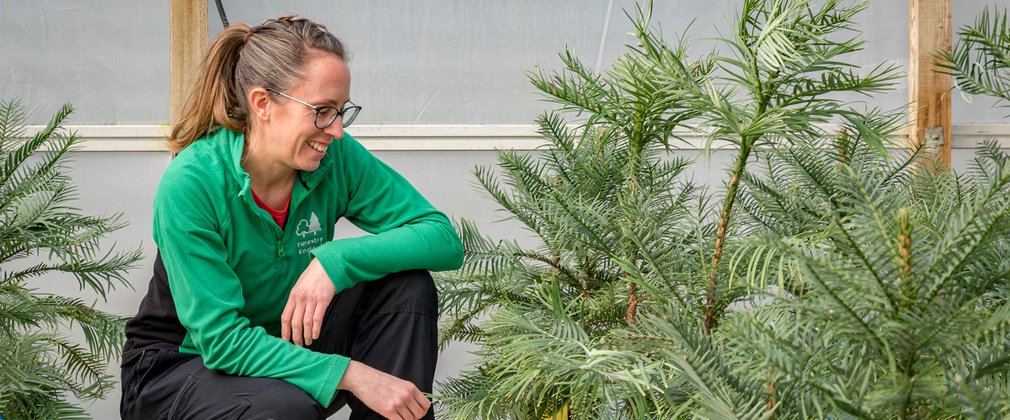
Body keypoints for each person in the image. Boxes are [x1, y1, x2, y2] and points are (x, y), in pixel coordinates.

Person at [120, 16, 463, 420]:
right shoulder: (192, 183)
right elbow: (221, 341)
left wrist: (332, 263)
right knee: (285, 408)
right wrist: (352, 374)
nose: (335, 131)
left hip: (282, 343)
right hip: (179, 367)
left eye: (341, 112)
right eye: (321, 111)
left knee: (406, 287)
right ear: (263, 104)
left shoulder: (334, 158)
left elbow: (442, 238)